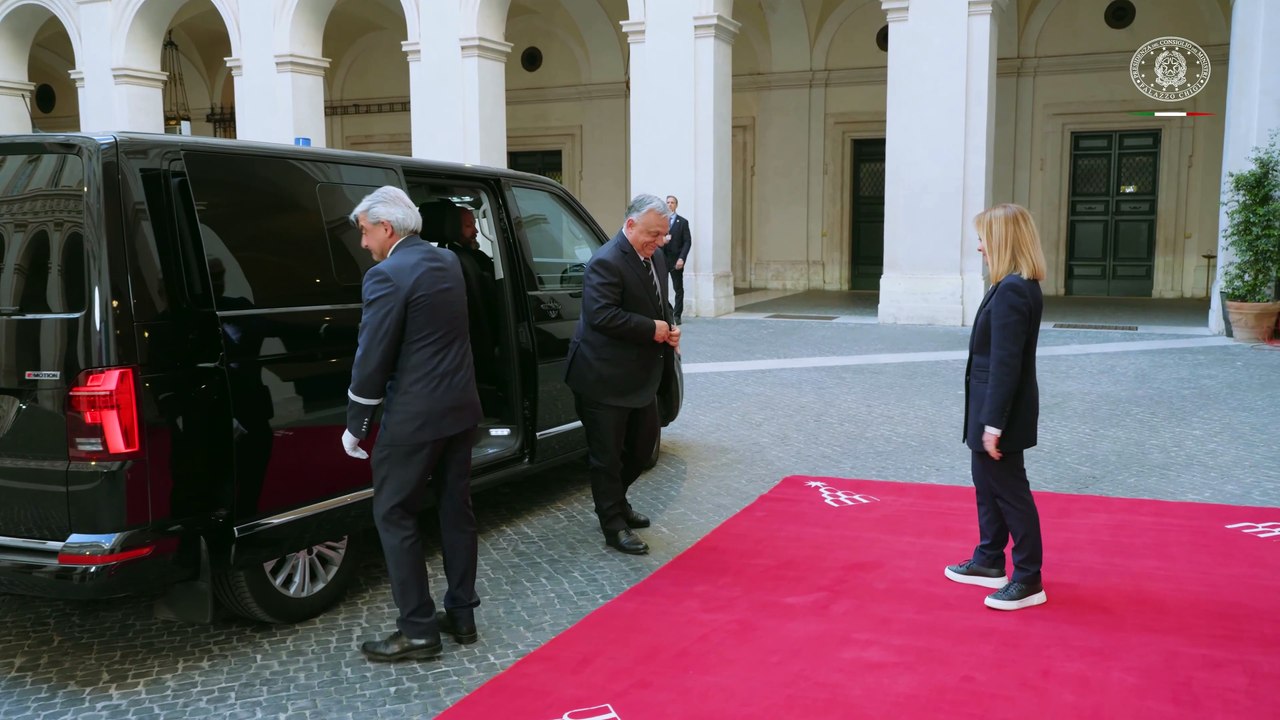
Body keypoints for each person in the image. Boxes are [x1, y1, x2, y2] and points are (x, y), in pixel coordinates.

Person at [341, 186, 484, 660]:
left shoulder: (386, 275)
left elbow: (372, 355)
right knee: (455, 509)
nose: (363, 243)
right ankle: (462, 614)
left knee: (393, 514)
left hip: (415, 419)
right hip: (460, 410)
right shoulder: (448, 263)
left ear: (386, 228)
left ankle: (419, 630)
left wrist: (357, 421)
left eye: (364, 232)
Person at [945, 203, 1048, 611]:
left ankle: (1028, 578)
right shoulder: (1010, 285)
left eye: (984, 238)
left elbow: (1007, 363)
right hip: (989, 407)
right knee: (986, 485)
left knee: (1010, 493)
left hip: (999, 412)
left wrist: (992, 425)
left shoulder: (1013, 291)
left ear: (1002, 240)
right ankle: (989, 559)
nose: (980, 248)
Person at [566, 194, 681, 555]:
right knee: (607, 457)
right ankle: (613, 523)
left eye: (663, 234)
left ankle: (616, 500)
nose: (660, 241)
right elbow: (602, 316)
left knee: (642, 447)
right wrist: (653, 328)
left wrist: (670, 328)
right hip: (602, 377)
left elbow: (660, 305)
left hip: (640, 377)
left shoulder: (656, 257)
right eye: (653, 234)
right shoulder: (606, 261)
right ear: (630, 225)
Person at [661, 195, 691, 325]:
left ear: (676, 205)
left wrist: (682, 258)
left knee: (678, 288)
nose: (669, 205)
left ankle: (677, 315)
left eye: (672, 202)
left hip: (676, 261)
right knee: (661, 287)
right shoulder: (660, 221)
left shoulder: (682, 222)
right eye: (667, 202)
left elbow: (687, 242)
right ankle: (665, 312)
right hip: (661, 259)